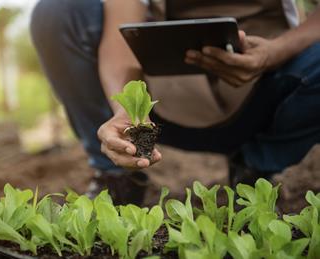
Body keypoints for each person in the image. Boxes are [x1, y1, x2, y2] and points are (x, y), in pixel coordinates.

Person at [30, 0, 320, 205]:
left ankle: (257, 168)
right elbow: (119, 30)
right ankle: (118, 174)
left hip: (268, 94)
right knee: (60, 10)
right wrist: (126, 110)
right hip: (163, 107)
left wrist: (274, 52)